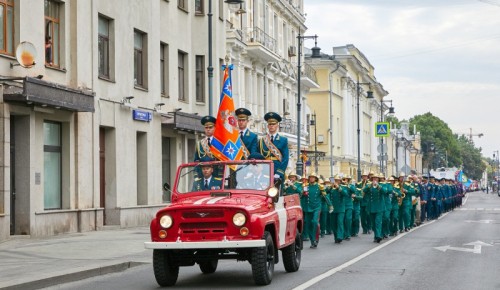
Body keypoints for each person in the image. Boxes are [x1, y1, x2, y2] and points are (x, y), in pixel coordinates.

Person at [259, 112, 288, 181]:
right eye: (270, 124)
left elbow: (285, 158)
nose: (271, 126)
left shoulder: (283, 140)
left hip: (277, 169)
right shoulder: (262, 140)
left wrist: (279, 173)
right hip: (264, 169)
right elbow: (259, 156)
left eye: (273, 124)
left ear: (277, 125)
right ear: (267, 126)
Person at [363, 173, 387, 243]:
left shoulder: (382, 185)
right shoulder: (369, 185)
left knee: (378, 222)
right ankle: (376, 236)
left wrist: (378, 186)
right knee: (373, 223)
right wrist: (369, 186)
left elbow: (385, 192)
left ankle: (378, 236)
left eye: (376, 178)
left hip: (379, 207)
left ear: (378, 179)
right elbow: (364, 191)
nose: (375, 179)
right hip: (371, 207)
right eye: (373, 178)